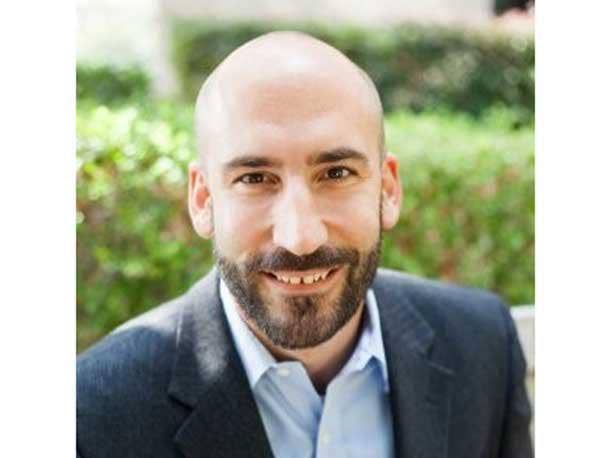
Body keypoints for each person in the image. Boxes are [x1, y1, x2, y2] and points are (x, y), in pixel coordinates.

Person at [77, 31, 533, 458]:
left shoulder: (483, 346)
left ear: (388, 189)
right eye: (254, 178)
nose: (299, 238)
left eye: (336, 173)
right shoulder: (91, 415)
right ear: (203, 200)